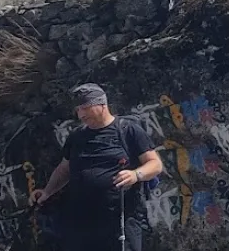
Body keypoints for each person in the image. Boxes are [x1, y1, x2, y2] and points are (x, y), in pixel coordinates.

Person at [30, 83, 164, 251]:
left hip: (120, 221)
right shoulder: (77, 137)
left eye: (85, 108)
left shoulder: (128, 131)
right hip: (83, 223)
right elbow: (64, 169)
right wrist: (47, 192)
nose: (80, 114)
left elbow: (155, 164)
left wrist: (136, 175)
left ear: (102, 105)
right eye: (78, 109)